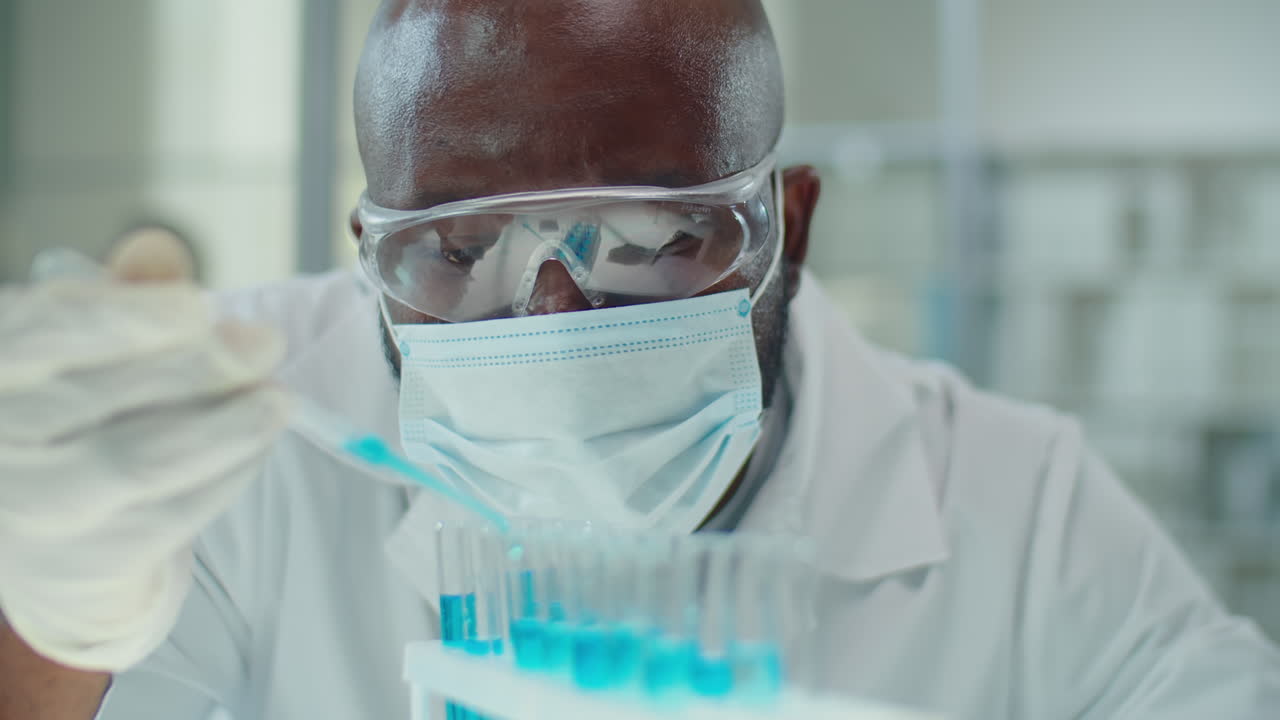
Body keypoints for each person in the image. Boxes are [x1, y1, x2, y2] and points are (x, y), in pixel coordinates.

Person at [2, 1, 1278, 718]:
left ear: (790, 227)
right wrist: (56, 614)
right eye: (456, 246)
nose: (554, 314)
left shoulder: (1017, 503)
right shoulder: (225, 429)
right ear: (367, 255)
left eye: (656, 234)